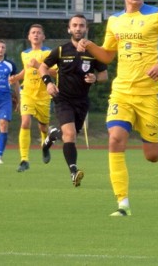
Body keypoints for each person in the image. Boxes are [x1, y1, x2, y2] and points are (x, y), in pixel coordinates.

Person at [78, 0, 158, 217]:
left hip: (150, 94)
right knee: (115, 139)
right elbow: (107, 55)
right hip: (122, 92)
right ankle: (123, 204)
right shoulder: (114, 21)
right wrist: (90, 46)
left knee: (152, 156)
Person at [38, 14, 108, 187]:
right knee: (69, 135)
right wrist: (48, 83)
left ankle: (52, 136)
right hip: (63, 99)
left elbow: (104, 75)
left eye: (81, 25)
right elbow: (43, 67)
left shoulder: (93, 51)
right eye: (75, 25)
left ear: (86, 29)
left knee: (68, 136)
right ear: (69, 29)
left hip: (82, 102)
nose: (78, 28)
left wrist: (95, 78)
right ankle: (73, 172)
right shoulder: (61, 50)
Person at [9, 24, 57, 172]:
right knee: (25, 122)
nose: (35, 35)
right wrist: (16, 77)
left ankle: (45, 145)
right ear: (29, 37)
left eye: (38, 33)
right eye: (33, 33)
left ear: (43, 37)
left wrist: (38, 66)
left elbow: (55, 73)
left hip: (43, 95)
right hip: (27, 93)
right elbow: (26, 71)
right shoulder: (25, 54)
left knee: (43, 126)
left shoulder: (49, 53)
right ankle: (24, 160)